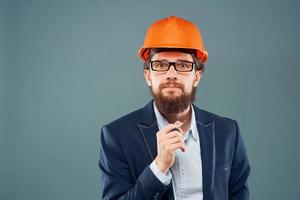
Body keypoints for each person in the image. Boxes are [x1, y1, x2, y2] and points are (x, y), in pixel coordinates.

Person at [99, 16, 250, 200]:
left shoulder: (227, 133)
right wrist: (160, 166)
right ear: (148, 76)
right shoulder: (117, 136)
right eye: (161, 65)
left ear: (197, 76)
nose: (171, 74)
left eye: (183, 65)